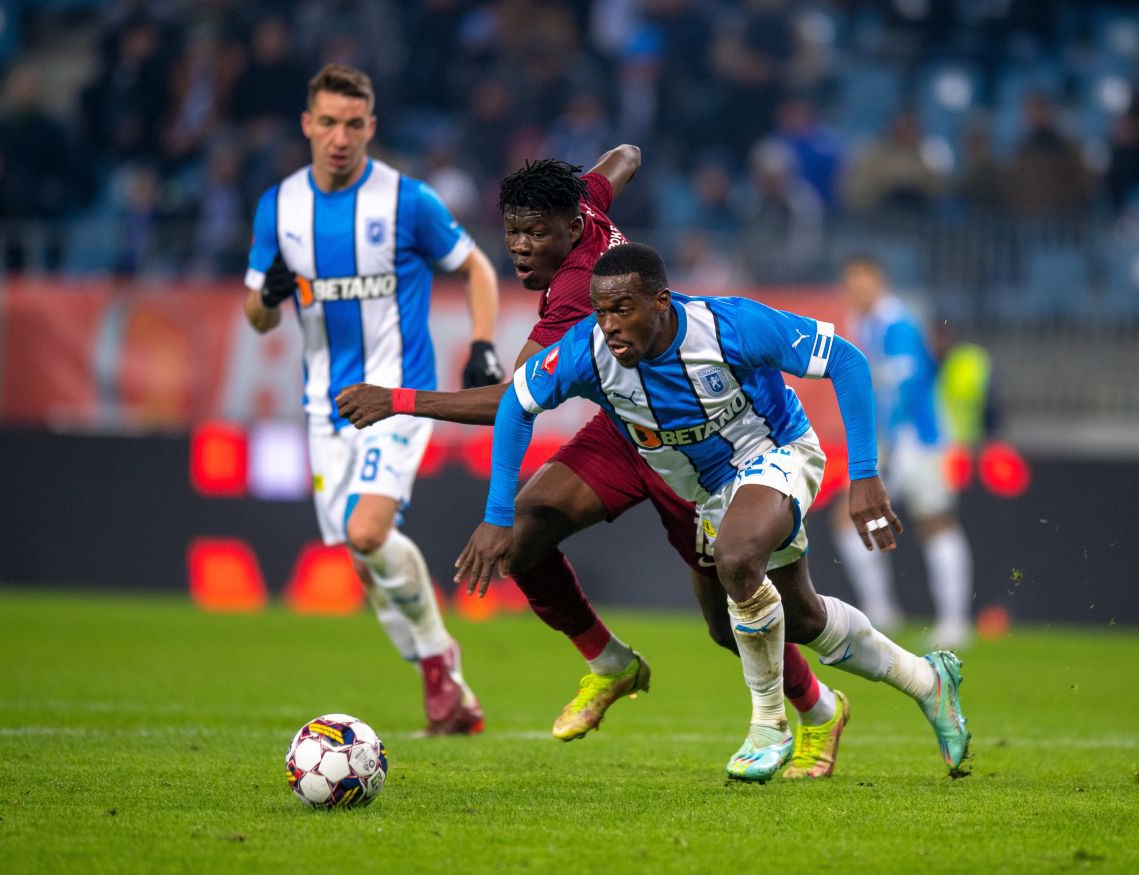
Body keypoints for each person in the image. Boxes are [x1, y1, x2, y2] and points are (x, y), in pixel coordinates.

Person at [336, 153, 850, 779]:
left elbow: (509, 401)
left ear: (573, 230)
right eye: (514, 233)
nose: (522, 249)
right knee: (525, 530)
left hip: (692, 444)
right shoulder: (584, 204)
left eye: (536, 235)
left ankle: (818, 708)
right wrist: (593, 176)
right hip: (625, 426)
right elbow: (629, 157)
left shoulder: (581, 290)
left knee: (727, 620)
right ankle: (611, 664)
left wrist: (395, 401)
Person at [455, 243, 971, 782]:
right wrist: (497, 514)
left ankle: (769, 727)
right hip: (708, 491)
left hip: (776, 453)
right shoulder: (589, 350)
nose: (609, 326)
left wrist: (864, 473)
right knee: (795, 617)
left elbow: (846, 359)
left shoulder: (731, 326)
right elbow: (516, 402)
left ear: (661, 302)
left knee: (738, 556)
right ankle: (925, 681)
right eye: (601, 311)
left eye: (623, 310)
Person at [243, 64, 504, 735]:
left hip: (395, 395)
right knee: (364, 553)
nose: (339, 137)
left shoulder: (406, 201)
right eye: (327, 122)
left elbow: (475, 265)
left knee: (367, 530)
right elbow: (258, 316)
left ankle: (440, 657)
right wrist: (266, 296)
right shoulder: (279, 208)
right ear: (307, 124)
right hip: (324, 407)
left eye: (353, 124)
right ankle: (439, 672)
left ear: (372, 128)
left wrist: (480, 342)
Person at [832, 255, 974, 648]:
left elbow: (906, 389)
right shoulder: (866, 324)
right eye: (851, 283)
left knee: (936, 523)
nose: (856, 290)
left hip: (919, 440)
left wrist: (891, 446)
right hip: (890, 442)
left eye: (863, 282)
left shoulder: (899, 324)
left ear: (881, 282)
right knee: (854, 518)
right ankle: (881, 612)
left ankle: (955, 623)